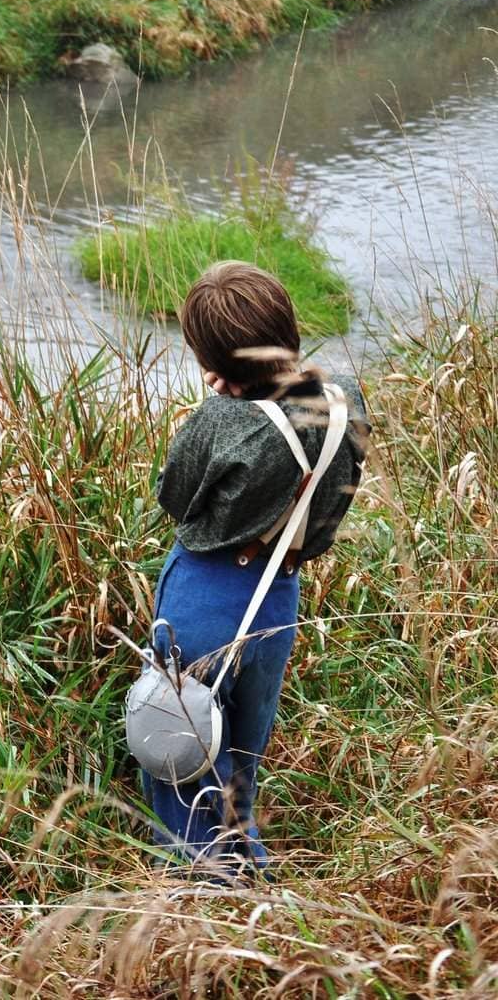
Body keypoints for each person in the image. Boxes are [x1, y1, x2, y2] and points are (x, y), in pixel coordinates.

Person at [148, 260, 371, 876]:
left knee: (178, 748)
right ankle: (252, 880)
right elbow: (336, 497)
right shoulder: (342, 399)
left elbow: (174, 497)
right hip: (279, 595)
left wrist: (220, 406)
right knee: (241, 752)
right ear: (287, 331)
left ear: (213, 365)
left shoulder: (218, 420)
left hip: (208, 599)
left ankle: (198, 899)